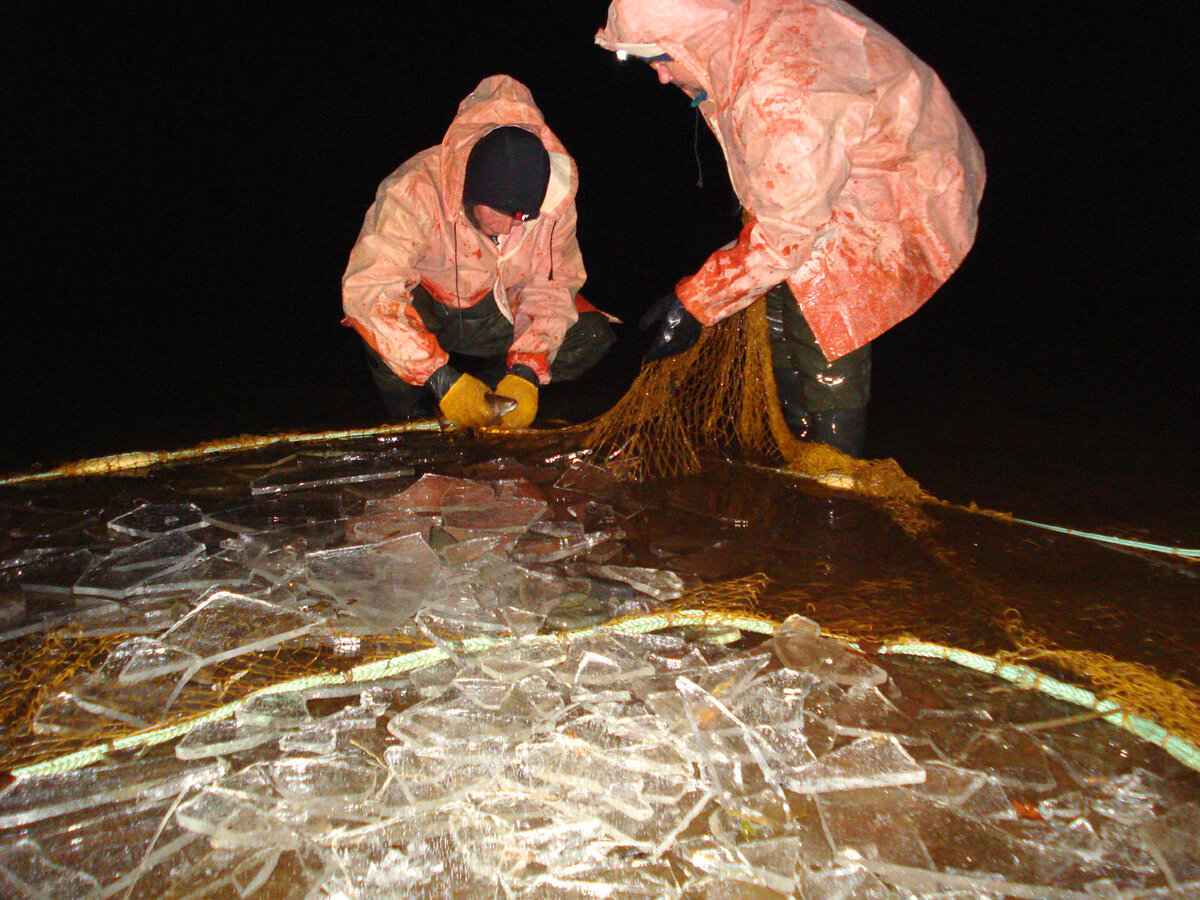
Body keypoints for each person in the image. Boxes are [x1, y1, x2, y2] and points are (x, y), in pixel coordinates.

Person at [596, 0, 985, 457]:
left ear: (692, 40)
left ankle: (836, 476)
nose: (661, 77)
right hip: (843, 164)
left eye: (662, 60)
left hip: (905, 179)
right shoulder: (735, 36)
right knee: (776, 302)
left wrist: (695, 302)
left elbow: (789, 231)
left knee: (824, 306)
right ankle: (799, 443)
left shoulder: (777, 86)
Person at [342, 75, 616, 429]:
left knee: (591, 333)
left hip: (498, 310)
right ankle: (414, 417)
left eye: (524, 218)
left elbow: (552, 287)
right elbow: (368, 290)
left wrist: (527, 371)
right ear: (470, 191)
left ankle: (492, 398)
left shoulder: (554, 197)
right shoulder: (415, 189)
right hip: (434, 310)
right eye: (500, 214)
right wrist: (443, 380)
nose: (510, 229)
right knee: (379, 316)